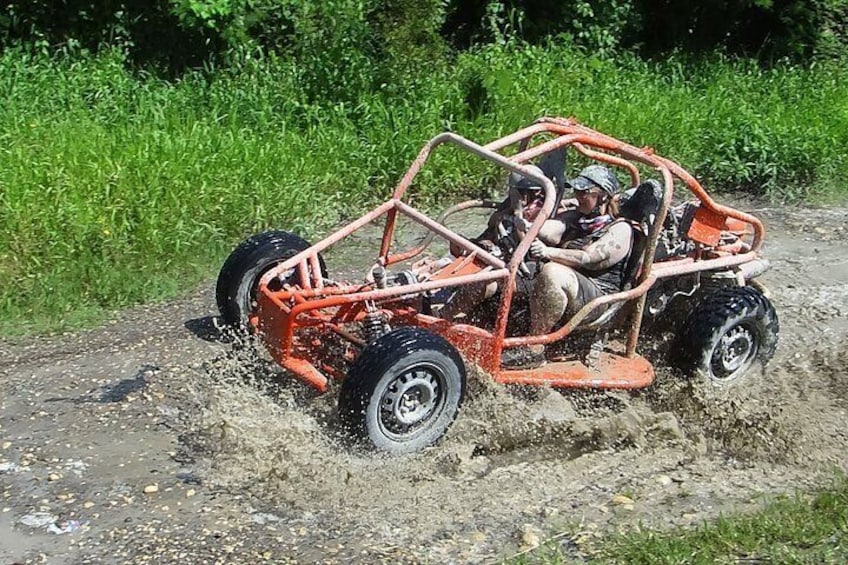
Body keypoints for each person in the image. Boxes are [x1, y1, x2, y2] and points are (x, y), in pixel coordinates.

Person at [500, 164, 633, 369]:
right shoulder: (576, 217)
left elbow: (589, 257)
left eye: (584, 192)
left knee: (552, 272)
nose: (578, 195)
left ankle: (534, 349)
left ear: (603, 196)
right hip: (568, 290)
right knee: (500, 272)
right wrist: (523, 220)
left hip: (598, 301)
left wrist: (548, 252)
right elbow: (547, 230)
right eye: (576, 191)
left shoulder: (620, 229)